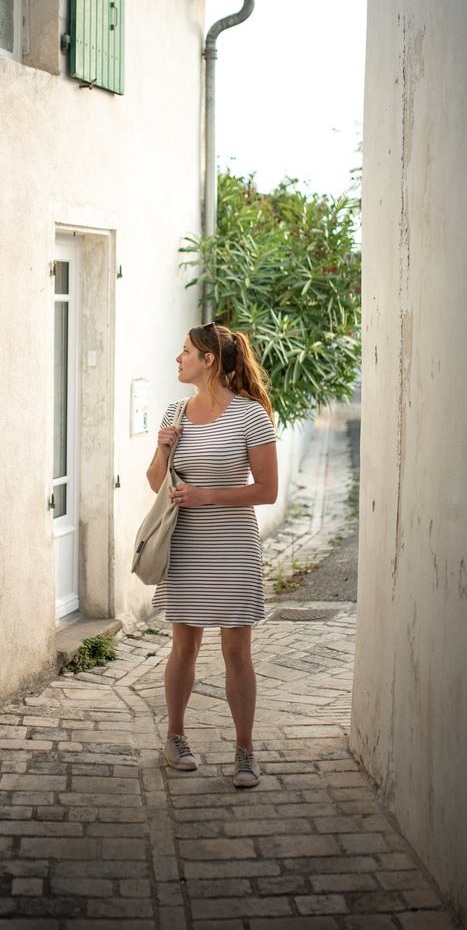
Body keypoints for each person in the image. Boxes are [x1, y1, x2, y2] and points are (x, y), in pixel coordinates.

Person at [146, 323, 278, 787]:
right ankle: (175, 738)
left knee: (236, 651)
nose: (177, 359)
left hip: (234, 546)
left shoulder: (250, 416)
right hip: (184, 546)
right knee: (184, 647)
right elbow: (154, 482)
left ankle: (245, 751)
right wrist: (163, 451)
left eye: (185, 352)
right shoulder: (173, 411)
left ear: (209, 360)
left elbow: (267, 490)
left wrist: (210, 496)